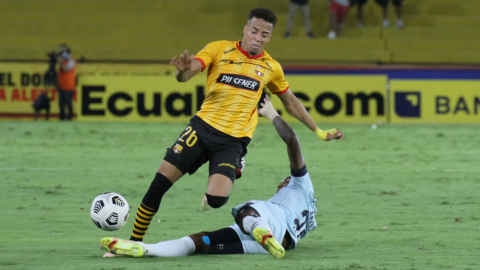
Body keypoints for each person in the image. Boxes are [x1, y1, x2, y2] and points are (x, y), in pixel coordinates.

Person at [128, 7, 340, 243]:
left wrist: (318, 131)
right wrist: (181, 73)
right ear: (245, 29)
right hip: (200, 129)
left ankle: (236, 165)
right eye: (255, 31)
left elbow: (290, 101)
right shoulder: (219, 48)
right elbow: (188, 74)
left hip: (232, 141)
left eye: (265, 35)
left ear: (270, 37)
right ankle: (134, 241)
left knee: (216, 200)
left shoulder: (271, 67)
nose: (258, 38)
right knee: (159, 184)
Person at [100, 95, 343, 259]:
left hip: (270, 223)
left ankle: (257, 227)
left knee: (247, 209)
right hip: (278, 242)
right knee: (201, 242)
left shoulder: (301, 184)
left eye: (284, 180)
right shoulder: (309, 217)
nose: (281, 183)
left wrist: (270, 112)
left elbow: (291, 140)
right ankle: (145, 249)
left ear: (290, 181)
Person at [57, 44, 76, 120]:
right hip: (61, 85)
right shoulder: (63, 60)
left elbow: (67, 69)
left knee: (68, 103)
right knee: (61, 103)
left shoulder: (71, 60)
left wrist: (61, 63)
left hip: (69, 85)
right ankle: (62, 118)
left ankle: (70, 118)